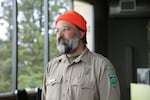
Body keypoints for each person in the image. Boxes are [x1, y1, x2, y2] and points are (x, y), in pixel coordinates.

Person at [41, 10, 120, 100]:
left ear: (81, 33)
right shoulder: (51, 66)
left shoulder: (102, 66)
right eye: (57, 31)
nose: (60, 35)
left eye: (65, 29)